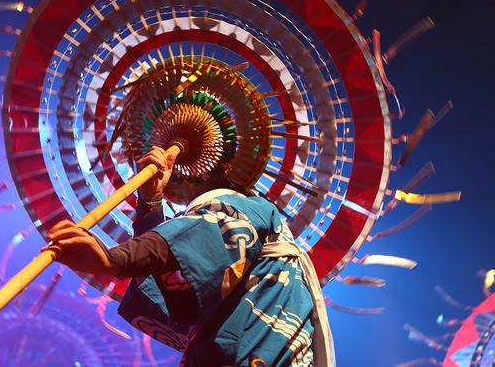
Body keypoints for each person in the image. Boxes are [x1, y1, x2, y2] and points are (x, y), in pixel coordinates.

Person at [47, 147, 333, 367]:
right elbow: (177, 279)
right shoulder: (255, 270)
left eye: (196, 213)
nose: (192, 219)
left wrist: (113, 260)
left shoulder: (246, 208)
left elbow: (201, 240)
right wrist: (150, 204)